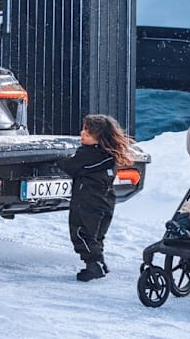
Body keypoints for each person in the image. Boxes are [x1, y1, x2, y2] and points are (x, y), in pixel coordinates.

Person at [57, 114, 134, 282]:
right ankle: (100, 262)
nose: (83, 134)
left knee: (81, 233)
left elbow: (70, 166)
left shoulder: (88, 153)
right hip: (106, 200)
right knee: (96, 234)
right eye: (84, 129)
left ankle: (93, 266)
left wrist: (58, 159)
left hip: (87, 200)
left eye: (89, 133)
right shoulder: (110, 155)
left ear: (99, 138)